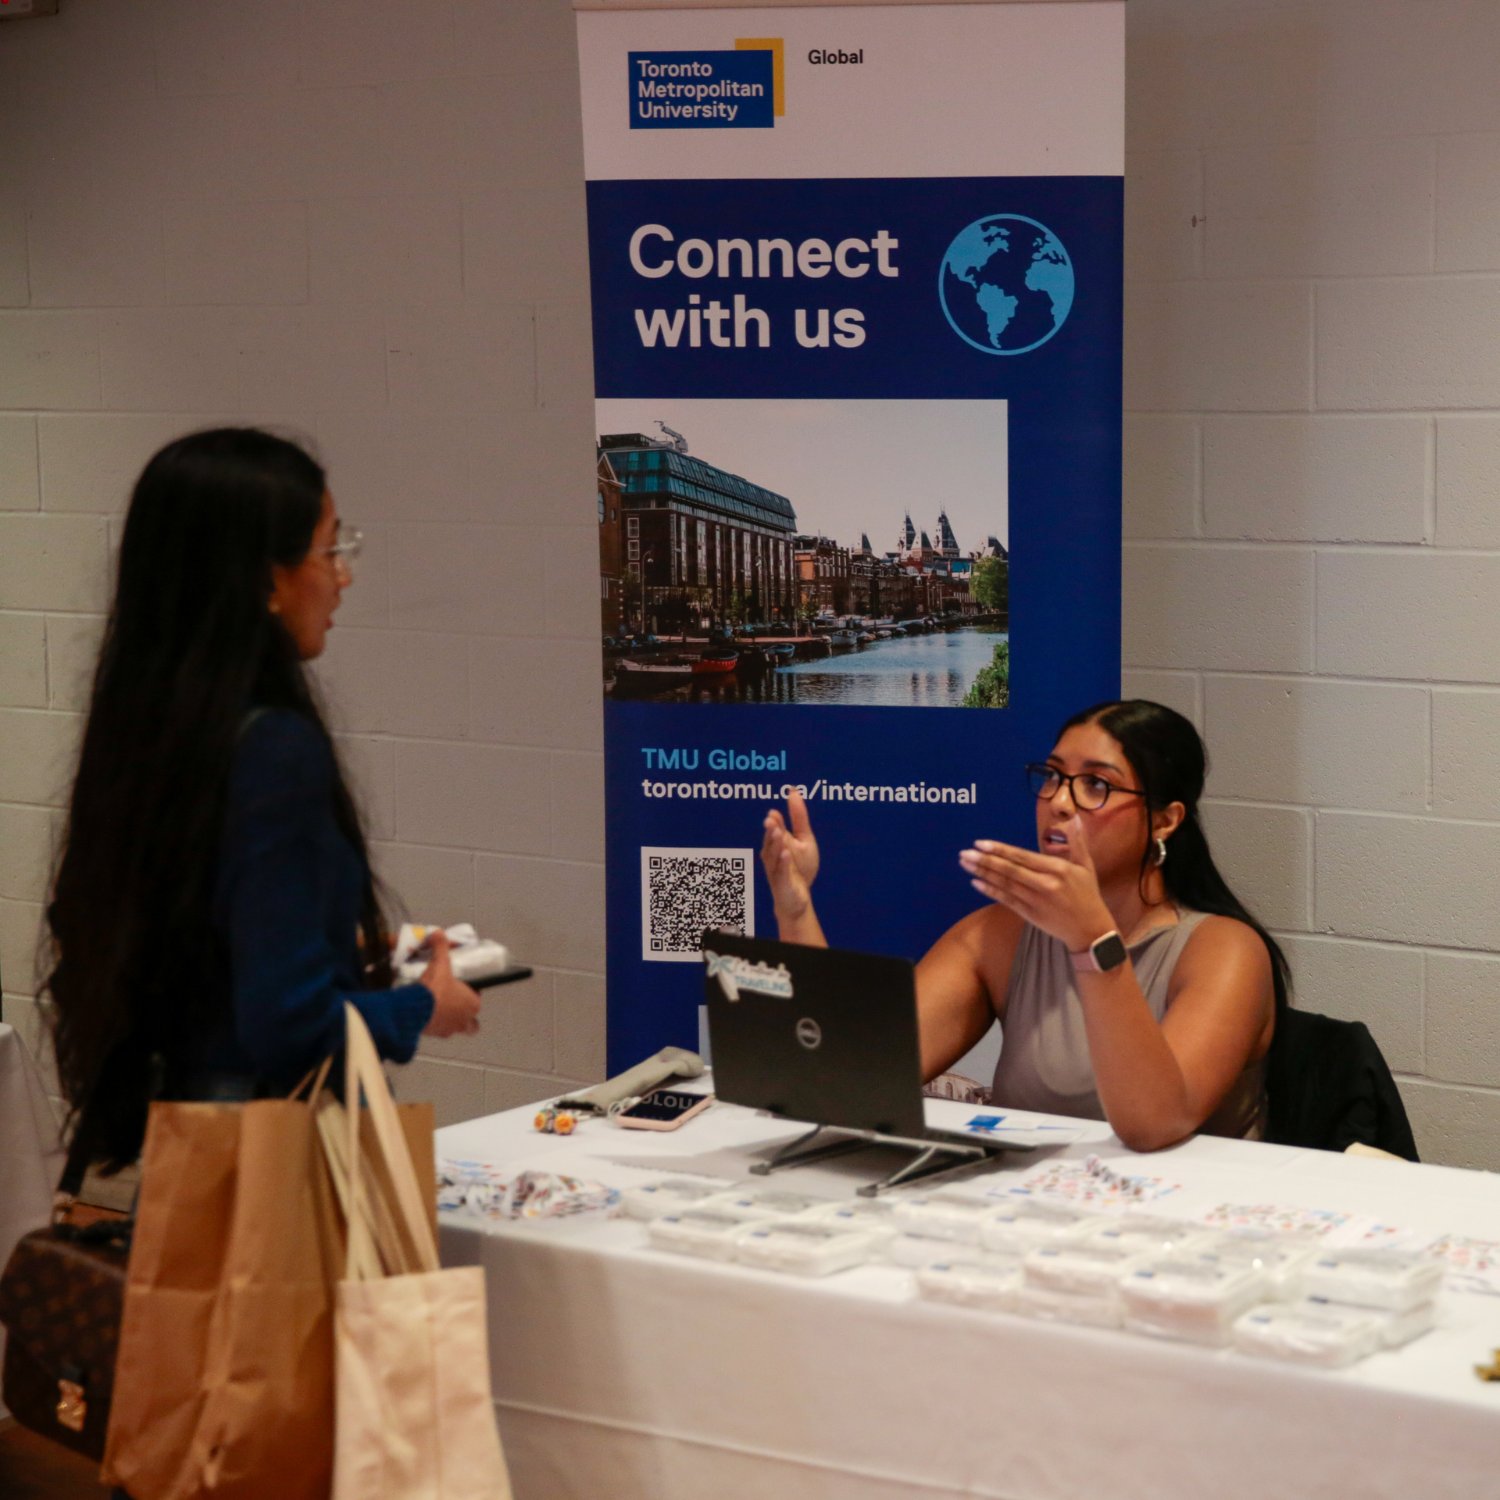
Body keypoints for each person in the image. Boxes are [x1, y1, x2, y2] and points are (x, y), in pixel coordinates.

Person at [45, 427, 480, 1173]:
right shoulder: (273, 749)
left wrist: (336, 946)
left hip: (174, 1146)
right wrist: (424, 1008)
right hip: (263, 1167)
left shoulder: (150, 727)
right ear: (263, 580)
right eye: (328, 550)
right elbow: (288, 1023)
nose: (344, 577)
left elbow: (183, 944)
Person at [760, 699, 1286, 1151]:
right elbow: (848, 1076)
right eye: (1054, 776)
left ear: (1166, 819)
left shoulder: (1224, 950)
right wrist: (796, 909)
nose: (1059, 801)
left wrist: (1091, 943)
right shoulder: (1001, 934)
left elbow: (1154, 1125)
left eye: (1095, 785)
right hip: (1026, 1211)